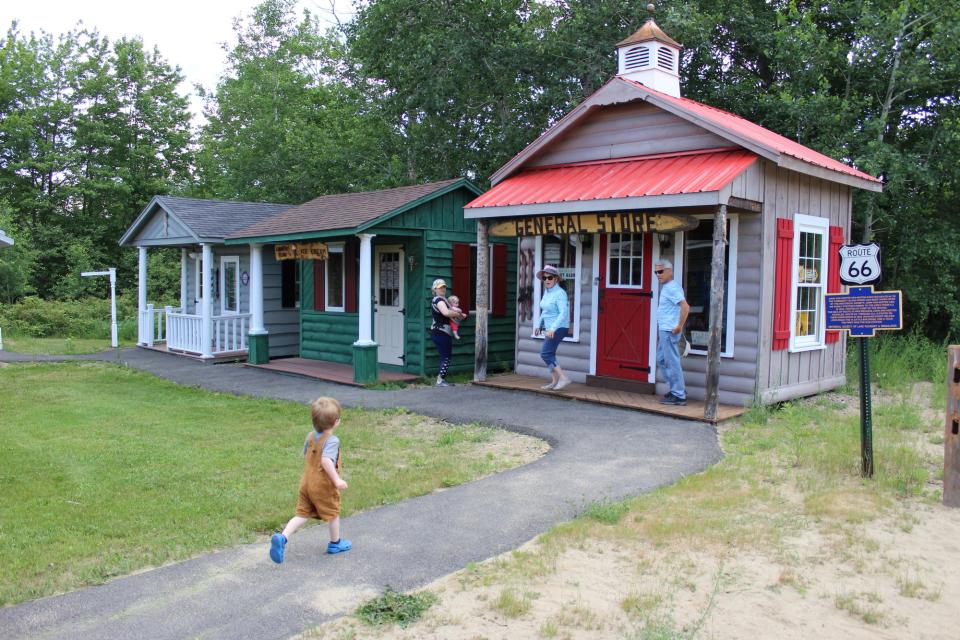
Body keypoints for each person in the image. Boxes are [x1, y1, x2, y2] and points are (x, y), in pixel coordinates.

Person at [270, 396, 351, 563]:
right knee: (333, 513)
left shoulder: (310, 436)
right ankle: (335, 543)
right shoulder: (332, 440)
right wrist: (336, 480)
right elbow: (326, 460)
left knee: (302, 514)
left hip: (306, 483)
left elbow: (307, 455)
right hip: (322, 485)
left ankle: (283, 537)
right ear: (336, 422)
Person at [655, 260, 690, 406]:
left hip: (670, 330)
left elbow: (685, 307)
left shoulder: (671, 288)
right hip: (665, 330)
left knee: (671, 361)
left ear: (670, 271)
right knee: (662, 359)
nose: (658, 275)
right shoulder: (667, 288)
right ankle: (676, 389)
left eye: (661, 271)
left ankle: (679, 394)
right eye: (656, 272)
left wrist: (679, 326)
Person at [535, 265, 572, 391]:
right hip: (549, 327)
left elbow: (563, 313)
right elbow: (544, 310)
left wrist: (552, 329)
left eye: (549, 277)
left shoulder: (560, 293)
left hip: (559, 327)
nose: (547, 280)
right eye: (544, 278)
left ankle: (563, 378)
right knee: (550, 354)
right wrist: (538, 324)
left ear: (556, 279)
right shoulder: (547, 292)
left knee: (545, 353)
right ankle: (554, 381)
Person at [429, 279, 466, 387]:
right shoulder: (438, 300)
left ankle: (440, 379)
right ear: (435, 289)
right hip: (440, 332)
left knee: (444, 355)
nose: (443, 289)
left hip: (442, 332)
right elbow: (445, 313)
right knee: (446, 356)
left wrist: (458, 314)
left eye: (444, 287)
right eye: (440, 287)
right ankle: (440, 380)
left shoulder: (443, 299)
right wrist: (458, 314)